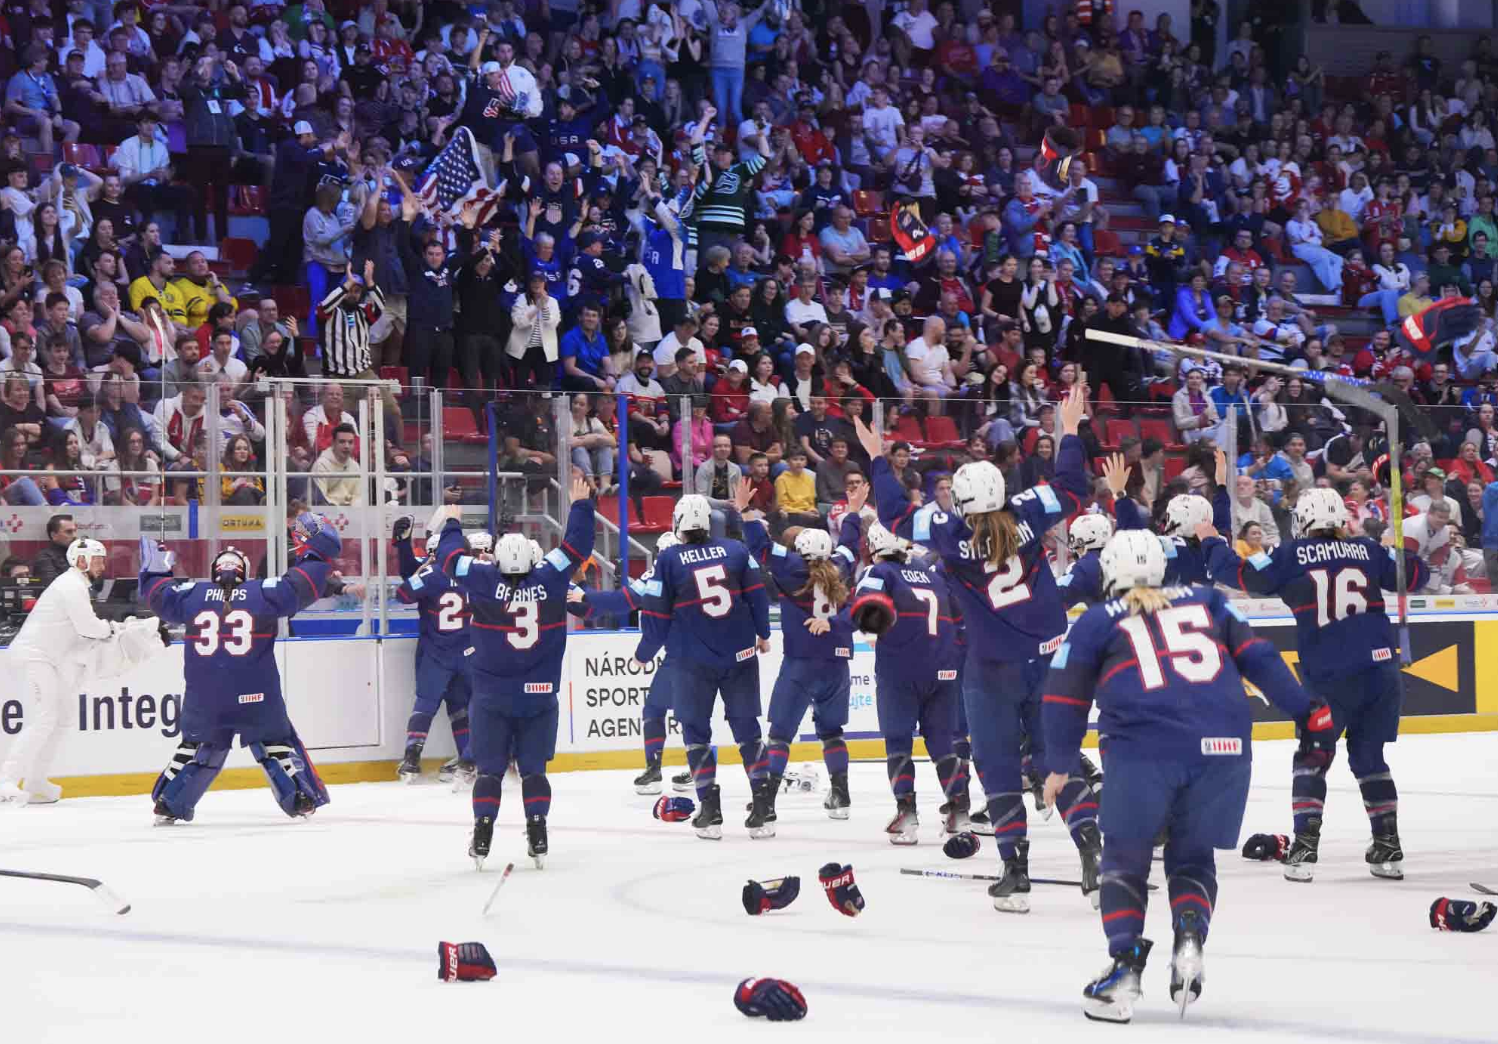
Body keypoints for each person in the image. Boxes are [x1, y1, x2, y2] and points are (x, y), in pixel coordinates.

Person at [1038, 529, 1331, 1023]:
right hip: (1225, 748)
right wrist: (1306, 710)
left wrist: (1059, 763)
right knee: (1192, 858)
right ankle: (1190, 936)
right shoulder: (1207, 599)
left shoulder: (1094, 622)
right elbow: (1259, 656)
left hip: (1143, 748)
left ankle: (1124, 970)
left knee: (1125, 861)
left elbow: (1063, 695)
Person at [858, 386, 1101, 912]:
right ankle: (1092, 853)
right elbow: (1073, 489)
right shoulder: (1030, 510)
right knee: (1057, 758)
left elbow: (897, 516)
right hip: (1051, 659)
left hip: (992, 669)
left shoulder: (947, 532)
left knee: (995, 766)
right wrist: (1070, 430)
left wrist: (878, 457)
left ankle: (1016, 872)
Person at [1201, 488, 1429, 883]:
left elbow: (1240, 574)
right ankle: (1388, 847)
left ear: (1304, 522)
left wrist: (1209, 540)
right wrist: (1398, 546)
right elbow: (1416, 576)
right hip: (1381, 672)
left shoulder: (1292, 555)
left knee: (1313, 755)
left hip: (1329, 673)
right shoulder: (1367, 550)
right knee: (1370, 758)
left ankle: (1305, 848)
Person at [433, 478, 595, 869]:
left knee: (489, 772)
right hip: (540, 697)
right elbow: (576, 547)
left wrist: (453, 521)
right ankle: (537, 829)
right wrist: (580, 506)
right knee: (534, 771)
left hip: (491, 697)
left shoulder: (486, 579)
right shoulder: (550, 577)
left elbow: (451, 560)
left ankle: (483, 830)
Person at [137, 516, 342, 823]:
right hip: (256, 693)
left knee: (198, 748)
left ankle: (169, 801)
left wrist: (155, 567)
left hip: (204, 697)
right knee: (275, 744)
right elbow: (305, 583)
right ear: (244, 571)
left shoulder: (191, 594)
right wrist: (315, 548)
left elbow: (156, 595)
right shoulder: (264, 591)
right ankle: (300, 796)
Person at [630, 493, 772, 840]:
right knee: (747, 730)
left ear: (679, 524)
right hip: (739, 656)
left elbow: (655, 615)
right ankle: (764, 809)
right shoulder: (736, 550)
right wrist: (763, 634)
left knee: (695, 732)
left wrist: (644, 653)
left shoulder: (669, 559)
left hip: (692, 661)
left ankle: (710, 810)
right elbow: (758, 594)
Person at [0, 537, 162, 806]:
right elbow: (88, 627)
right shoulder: (70, 585)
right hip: (35, 656)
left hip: (51, 658)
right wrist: (114, 628)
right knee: (46, 716)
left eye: (102, 560)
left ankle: (36, 780)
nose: (101, 565)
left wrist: (112, 628)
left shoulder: (77, 584)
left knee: (62, 718)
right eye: (97, 560)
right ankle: (6, 779)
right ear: (80, 560)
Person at [735, 477, 858, 823]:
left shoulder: (790, 567)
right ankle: (841, 795)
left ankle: (767, 803)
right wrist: (853, 512)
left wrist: (745, 509)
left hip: (801, 664)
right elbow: (851, 544)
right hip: (837, 665)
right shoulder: (840, 565)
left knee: (780, 736)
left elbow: (760, 545)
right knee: (833, 733)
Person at [845, 508, 966, 843]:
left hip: (901, 669)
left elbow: (864, 606)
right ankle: (960, 813)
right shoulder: (931, 573)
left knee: (898, 741)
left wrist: (853, 623)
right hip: (944, 668)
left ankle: (907, 815)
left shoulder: (880, 571)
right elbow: (960, 620)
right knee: (943, 742)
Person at [392, 517, 476, 786]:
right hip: (468, 652)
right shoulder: (476, 573)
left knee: (425, 705)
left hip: (436, 652)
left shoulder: (431, 574)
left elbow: (403, 595)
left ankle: (412, 760)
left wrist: (421, 571)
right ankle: (468, 759)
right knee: (461, 708)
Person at [29, 512, 76, 588]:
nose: (74, 536)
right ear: (54, 535)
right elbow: (53, 586)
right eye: (69, 532)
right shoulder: (45, 557)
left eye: (75, 531)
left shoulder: (78, 554)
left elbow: (97, 586)